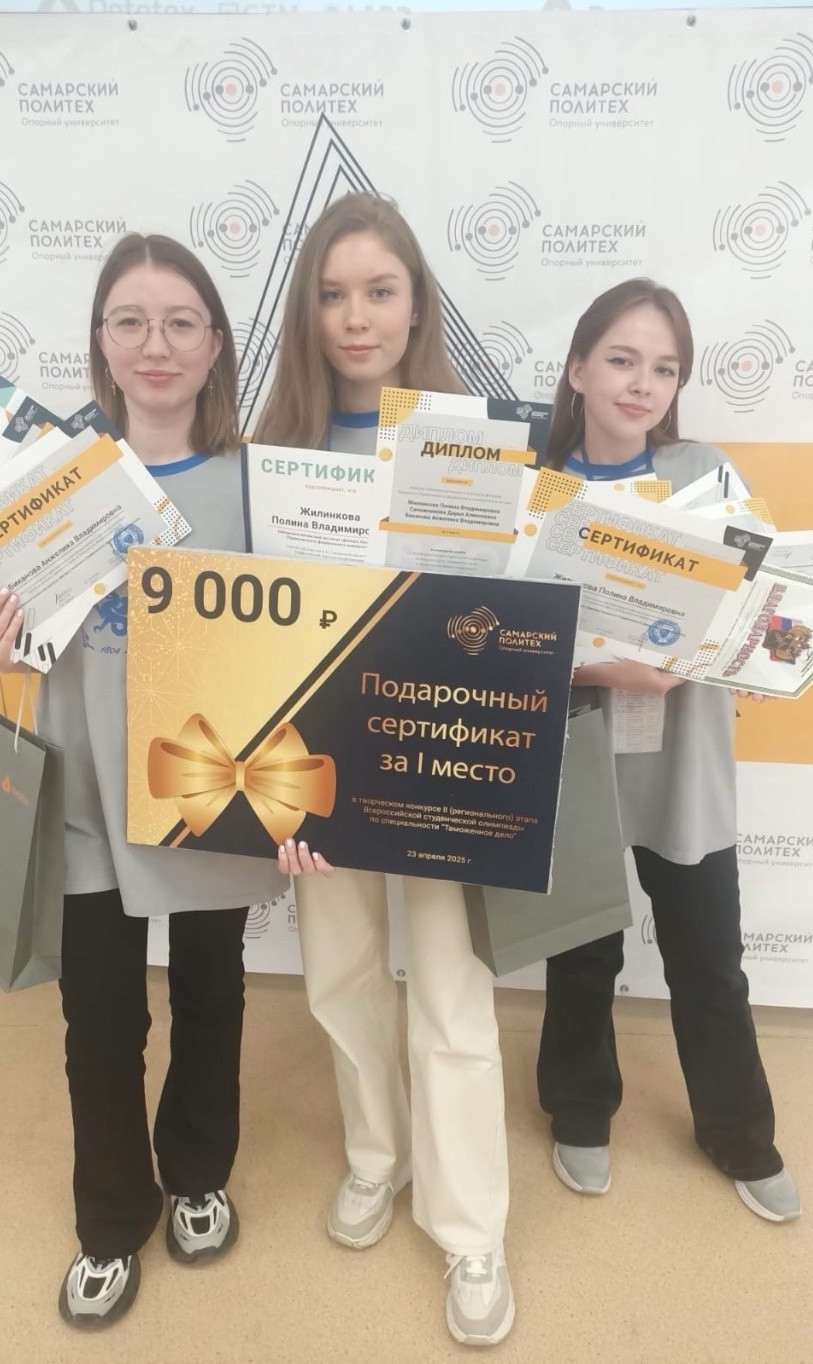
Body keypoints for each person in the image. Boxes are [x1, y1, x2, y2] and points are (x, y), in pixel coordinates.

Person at [0, 233, 286, 1329]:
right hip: (87, 789)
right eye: (130, 321)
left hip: (209, 789)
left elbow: (298, 648)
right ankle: (110, 1218)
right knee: (98, 1018)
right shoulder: (48, 480)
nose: (156, 344)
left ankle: (197, 1173)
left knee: (212, 993)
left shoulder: (262, 484)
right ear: (100, 341)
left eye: (181, 321)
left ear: (216, 343)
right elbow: (27, 642)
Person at [257, 191, 516, 1347]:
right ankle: (378, 1153)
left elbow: (510, 614)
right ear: (308, 313)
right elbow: (250, 634)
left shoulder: (474, 444)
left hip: (443, 754)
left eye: (379, 291)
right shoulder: (276, 452)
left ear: (416, 306)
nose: (356, 317)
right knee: (340, 973)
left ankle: (471, 1228)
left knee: (453, 988)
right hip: (319, 764)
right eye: (332, 294)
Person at [533, 278, 803, 1225]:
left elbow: (767, 608)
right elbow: (497, 631)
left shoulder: (707, 475)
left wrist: (752, 652)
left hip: (682, 756)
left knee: (709, 957)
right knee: (581, 950)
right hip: (575, 750)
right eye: (620, 359)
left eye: (664, 367)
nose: (641, 383)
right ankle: (578, 1107)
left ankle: (739, 1131)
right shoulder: (537, 487)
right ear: (576, 369)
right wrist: (600, 665)